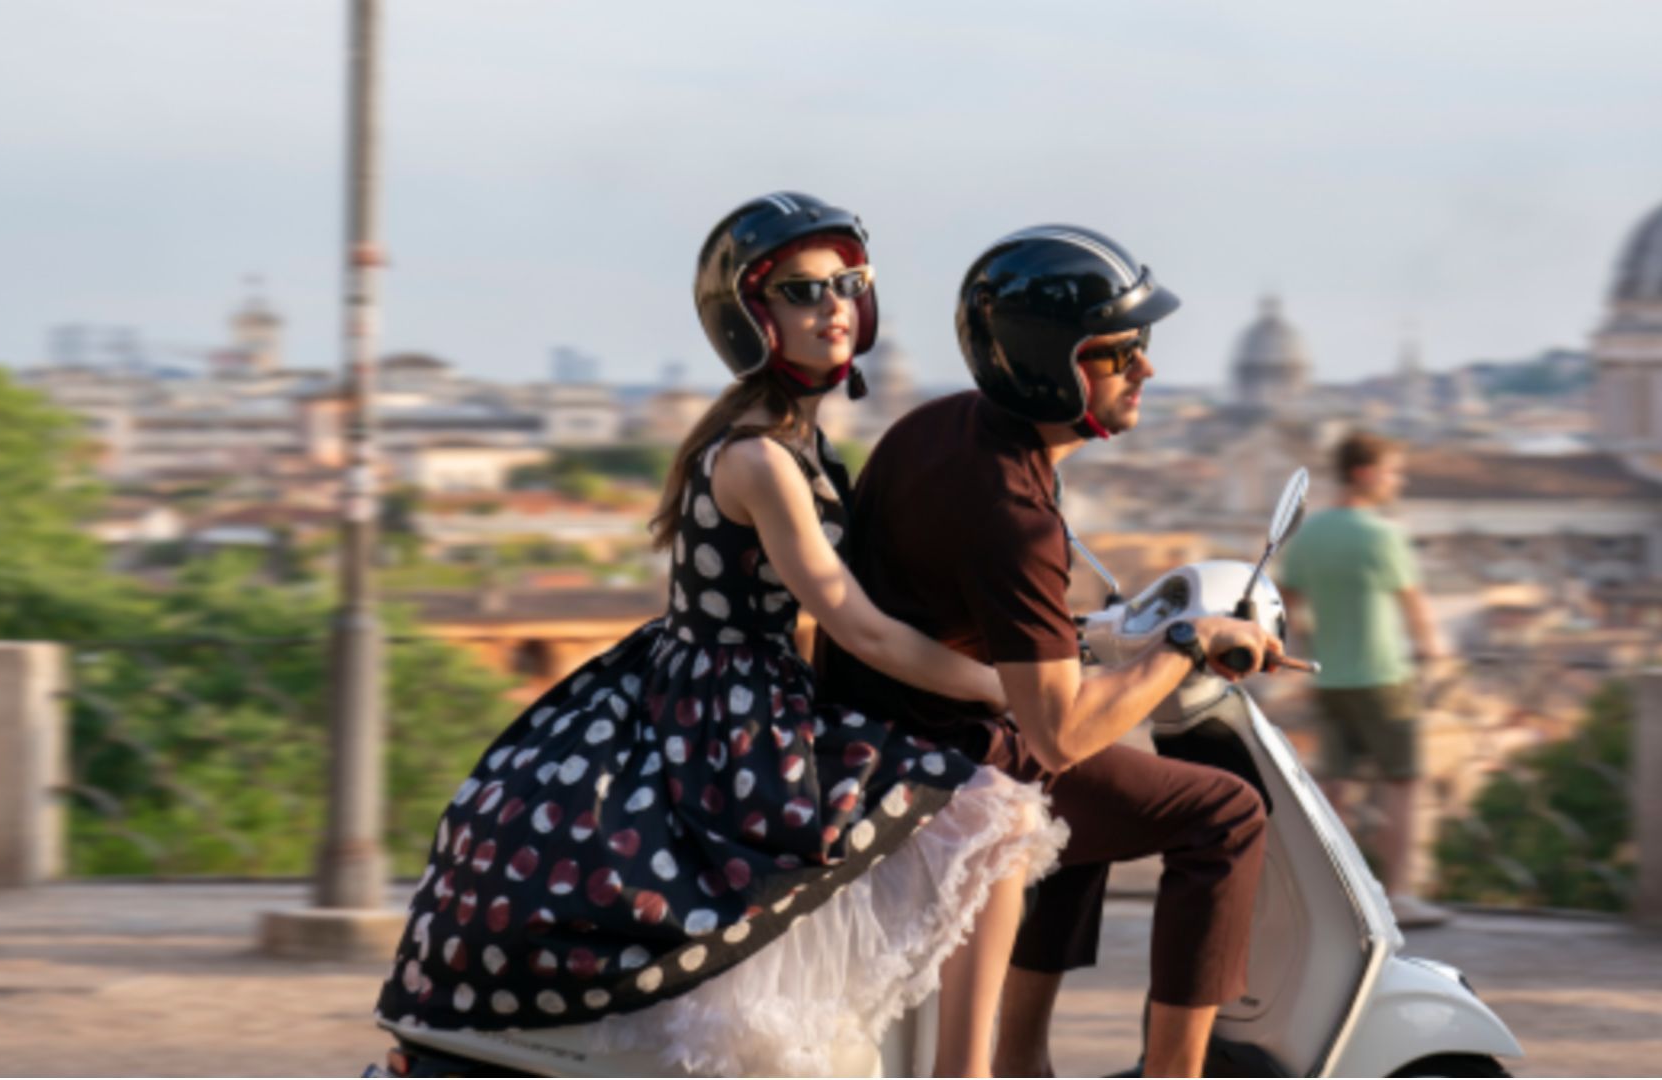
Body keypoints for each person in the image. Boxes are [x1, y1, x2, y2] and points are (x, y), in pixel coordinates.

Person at [374, 192, 1066, 1077]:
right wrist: (1014, 687)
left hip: (715, 691)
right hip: (735, 714)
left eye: (849, 285)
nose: (835, 309)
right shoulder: (760, 459)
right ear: (751, 317)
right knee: (990, 810)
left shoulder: (789, 443)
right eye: (803, 292)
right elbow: (863, 629)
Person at [820, 225, 1285, 1078]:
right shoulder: (1015, 514)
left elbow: (974, 616)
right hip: (940, 756)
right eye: (1118, 352)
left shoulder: (942, 428)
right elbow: (1060, 731)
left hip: (879, 729)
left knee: (1088, 802)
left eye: (1141, 345)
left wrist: (1110, 640)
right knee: (1224, 815)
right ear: (1047, 364)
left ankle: (1023, 1056)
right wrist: (1186, 644)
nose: (1146, 367)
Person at [1277, 429, 1450, 927]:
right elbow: (1415, 609)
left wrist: (1307, 647)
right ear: (1365, 473)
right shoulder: (1383, 536)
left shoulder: (1307, 534)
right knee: (1403, 783)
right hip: (1383, 676)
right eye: (1394, 471)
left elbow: (1286, 607)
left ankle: (1333, 895)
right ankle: (1398, 895)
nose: (1400, 481)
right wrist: (1434, 652)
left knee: (1334, 787)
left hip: (1327, 678)